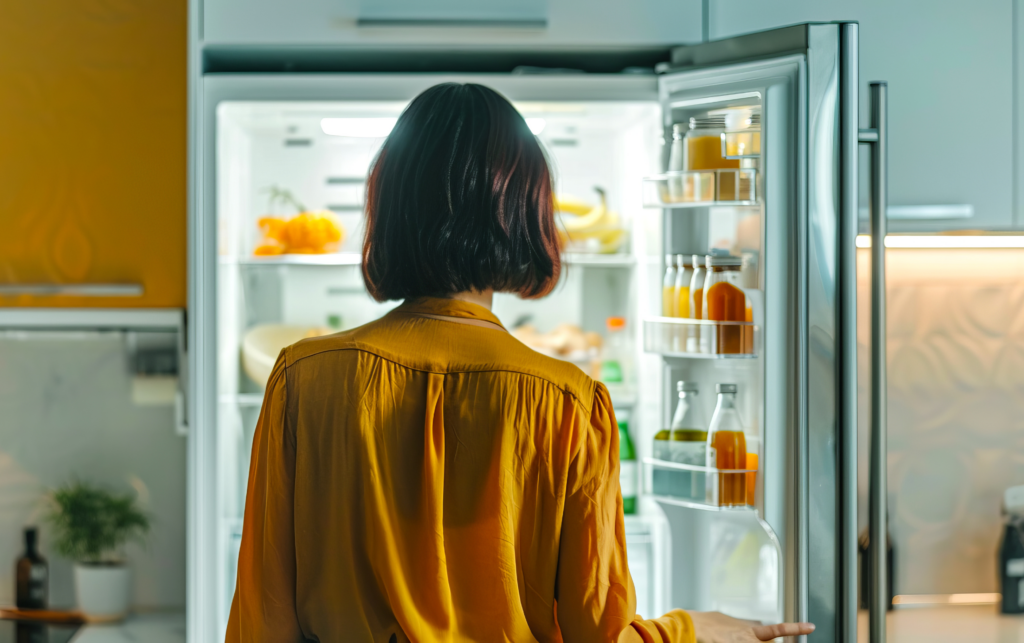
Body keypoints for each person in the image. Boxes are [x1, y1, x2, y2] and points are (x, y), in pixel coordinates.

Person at [226, 83, 814, 643]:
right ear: (524, 215)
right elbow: (599, 634)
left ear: (389, 210)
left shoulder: (303, 379)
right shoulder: (568, 399)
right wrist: (689, 629)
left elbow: (265, 618)